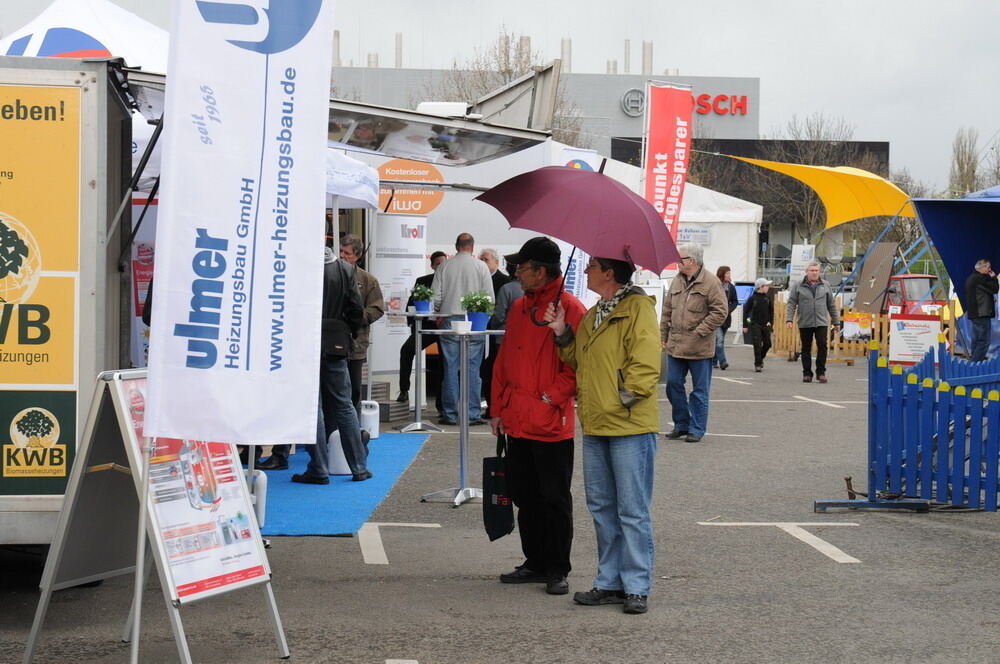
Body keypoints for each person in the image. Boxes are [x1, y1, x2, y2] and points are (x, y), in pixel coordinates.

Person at [545, 256, 660, 615]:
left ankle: (637, 586)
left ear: (609, 273)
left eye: (592, 265)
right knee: (601, 508)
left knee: (632, 510)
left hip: (628, 424)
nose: (585, 270)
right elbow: (579, 360)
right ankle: (610, 582)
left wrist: (622, 398)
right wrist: (562, 332)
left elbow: (645, 363)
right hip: (596, 424)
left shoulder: (638, 307)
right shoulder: (595, 313)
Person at [490, 238, 586, 597]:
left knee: (554, 498)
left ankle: (557, 567)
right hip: (517, 418)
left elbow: (578, 364)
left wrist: (551, 398)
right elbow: (503, 362)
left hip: (550, 422)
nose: (516, 272)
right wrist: (497, 408)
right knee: (523, 494)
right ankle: (534, 562)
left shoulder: (571, 307)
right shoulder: (518, 307)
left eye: (522, 267)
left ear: (541, 271)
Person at [262, 247, 372, 482]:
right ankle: (359, 466)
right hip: (336, 341)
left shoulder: (297, 266)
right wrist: (347, 332)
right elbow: (355, 308)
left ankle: (319, 467)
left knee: (313, 407)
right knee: (344, 405)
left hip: (303, 341)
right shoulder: (344, 268)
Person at [661, 245, 728, 443]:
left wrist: (701, 330)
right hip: (676, 345)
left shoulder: (711, 282)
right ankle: (681, 424)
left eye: (681, 258)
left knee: (699, 391)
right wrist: (662, 334)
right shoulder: (676, 281)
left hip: (699, 347)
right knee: (672, 384)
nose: (677, 262)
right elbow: (667, 310)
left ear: (692, 261)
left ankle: (696, 428)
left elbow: (720, 312)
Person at [431, 233, 494, 425]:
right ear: (472, 247)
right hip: (475, 320)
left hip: (450, 319)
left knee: (450, 367)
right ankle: (472, 413)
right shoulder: (481, 266)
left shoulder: (445, 266)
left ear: (456, 246)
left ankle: (450, 413)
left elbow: (436, 296)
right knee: (473, 368)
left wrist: (438, 316)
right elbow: (489, 298)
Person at [340, 234, 385, 410]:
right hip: (330, 343)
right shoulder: (327, 274)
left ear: (358, 256)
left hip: (356, 344)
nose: (343, 256)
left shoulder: (368, 280)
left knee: (354, 390)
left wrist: (356, 316)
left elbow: (377, 309)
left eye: (347, 253)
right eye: (341, 251)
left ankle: (353, 429)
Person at [396, 251, 447, 404]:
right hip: (426, 325)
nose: (441, 267)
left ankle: (442, 404)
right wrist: (413, 325)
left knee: (445, 362)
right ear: (432, 265)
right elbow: (411, 305)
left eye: (444, 264)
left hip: (445, 326)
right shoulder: (423, 281)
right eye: (438, 264)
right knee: (406, 350)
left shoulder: (451, 281)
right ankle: (404, 390)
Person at [785, 261, 840, 383]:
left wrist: (836, 322)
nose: (814, 273)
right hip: (805, 321)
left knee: (822, 346)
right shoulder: (798, 285)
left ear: (819, 272)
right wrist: (789, 319)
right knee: (806, 347)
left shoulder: (825, 285)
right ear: (807, 271)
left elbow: (831, 304)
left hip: (821, 322)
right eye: (812, 270)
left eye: (816, 270)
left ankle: (821, 372)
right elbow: (792, 303)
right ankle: (807, 373)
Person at [479, 248, 512, 406]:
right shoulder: (477, 279)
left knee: (495, 370)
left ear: (496, 263)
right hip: (480, 330)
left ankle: (495, 405)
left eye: (485, 260)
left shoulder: (505, 282)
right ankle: (489, 402)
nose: (482, 263)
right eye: (481, 260)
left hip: (498, 333)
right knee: (484, 369)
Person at [964, 259, 999, 362]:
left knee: (976, 340)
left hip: (974, 313)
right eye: (988, 267)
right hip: (982, 314)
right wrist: (994, 278)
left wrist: (990, 297)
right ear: (982, 267)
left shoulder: (971, 278)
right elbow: (994, 289)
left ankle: (973, 363)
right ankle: (975, 363)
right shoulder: (980, 278)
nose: (990, 270)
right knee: (984, 342)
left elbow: (981, 293)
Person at [742, 278, 774, 372]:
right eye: (766, 286)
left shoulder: (767, 298)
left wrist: (771, 322)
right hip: (755, 323)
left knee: (768, 344)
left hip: (765, 324)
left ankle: (761, 359)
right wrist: (745, 325)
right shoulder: (752, 298)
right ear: (761, 287)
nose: (768, 287)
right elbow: (746, 311)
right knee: (757, 344)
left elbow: (771, 311)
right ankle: (758, 364)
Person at [713, 266, 739, 370]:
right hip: (715, 317)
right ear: (722, 274)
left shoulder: (731, 287)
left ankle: (713, 361)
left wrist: (729, 310)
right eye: (727, 273)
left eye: (730, 273)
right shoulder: (715, 286)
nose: (729, 275)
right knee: (719, 340)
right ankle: (723, 362)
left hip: (726, 318)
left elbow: (735, 301)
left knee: (718, 340)